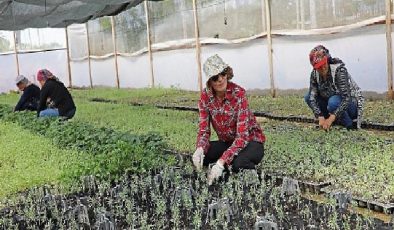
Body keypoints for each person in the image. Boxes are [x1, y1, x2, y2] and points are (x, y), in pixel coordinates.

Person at [192, 54, 266, 185]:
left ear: (227, 73)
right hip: (229, 142)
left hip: (250, 141)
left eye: (222, 74)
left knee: (239, 163)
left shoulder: (239, 94)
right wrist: (200, 149)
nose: (220, 80)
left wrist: (221, 162)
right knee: (204, 155)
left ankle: (248, 176)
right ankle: (224, 166)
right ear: (210, 81)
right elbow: (204, 131)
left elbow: (242, 137)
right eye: (215, 77)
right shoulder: (205, 97)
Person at [304, 45, 364, 130]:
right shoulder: (314, 74)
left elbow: (346, 98)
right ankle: (327, 121)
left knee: (333, 101)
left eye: (323, 63)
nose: (322, 68)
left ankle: (349, 124)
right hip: (331, 106)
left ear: (327, 60)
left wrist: (331, 118)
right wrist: (320, 116)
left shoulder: (339, 70)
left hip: (350, 107)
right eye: (318, 67)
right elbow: (312, 97)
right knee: (308, 97)